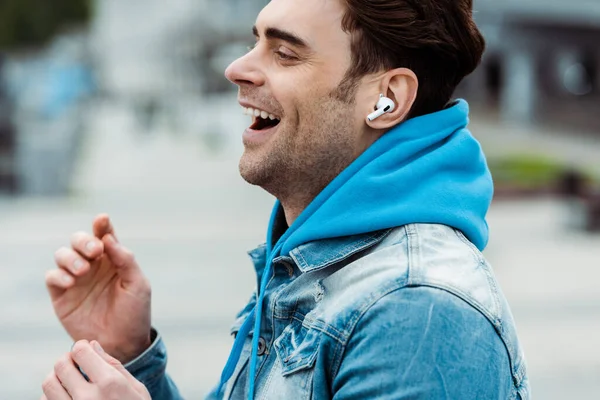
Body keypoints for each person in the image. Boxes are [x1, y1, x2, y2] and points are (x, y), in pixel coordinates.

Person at [40, 0, 531, 399]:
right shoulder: (312, 262)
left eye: (285, 53)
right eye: (256, 41)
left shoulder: (418, 311)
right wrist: (131, 354)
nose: (237, 68)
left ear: (387, 99)